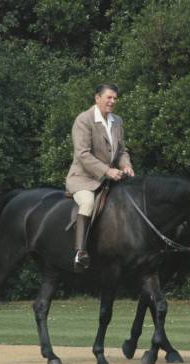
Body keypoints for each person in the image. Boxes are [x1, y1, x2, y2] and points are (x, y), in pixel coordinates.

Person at [65, 84, 135, 271]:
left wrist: (126, 165)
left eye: (115, 98)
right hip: (83, 178)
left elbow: (121, 151)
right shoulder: (84, 120)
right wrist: (107, 170)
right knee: (87, 203)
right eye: (109, 98)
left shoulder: (117, 121)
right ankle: (80, 252)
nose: (112, 101)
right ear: (97, 98)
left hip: (108, 179)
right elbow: (83, 154)